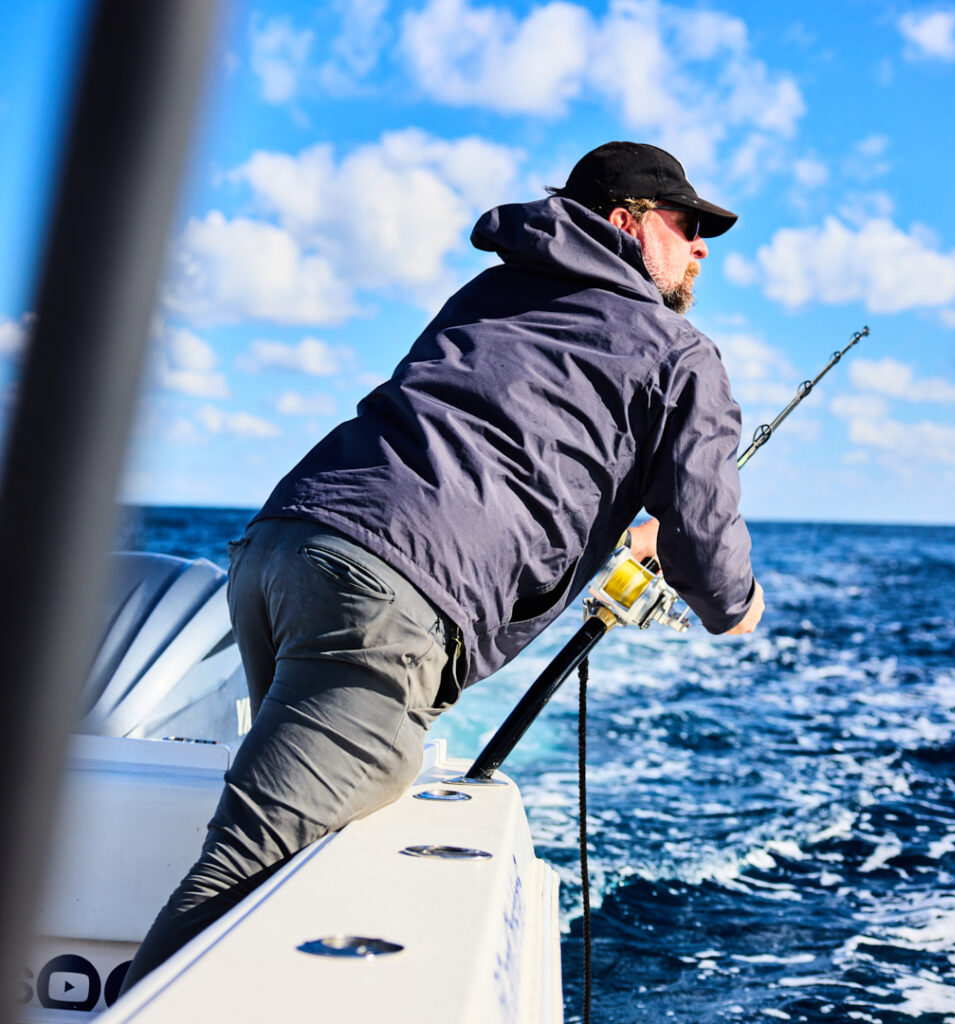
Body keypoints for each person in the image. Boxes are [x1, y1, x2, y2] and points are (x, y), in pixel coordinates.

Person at [121, 140, 764, 989]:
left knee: (296, 850)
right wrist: (737, 606)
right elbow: (706, 539)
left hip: (282, 545)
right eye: (688, 226)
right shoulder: (679, 352)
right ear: (627, 224)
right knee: (243, 876)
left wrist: (624, 540)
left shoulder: (490, 292)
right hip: (386, 593)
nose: (701, 247)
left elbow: (492, 446)